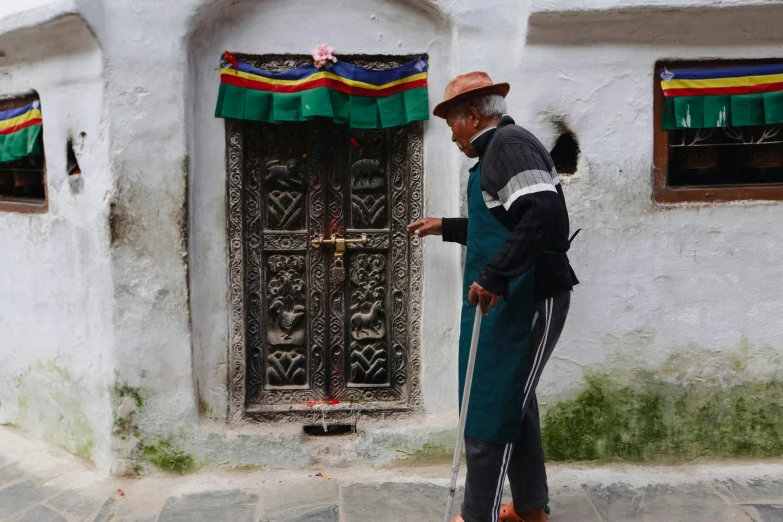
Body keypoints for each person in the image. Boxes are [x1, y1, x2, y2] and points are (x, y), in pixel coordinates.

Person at [407, 71, 578, 522]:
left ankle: (476, 514)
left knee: (493, 403)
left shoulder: (509, 144)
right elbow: (501, 225)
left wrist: (497, 277)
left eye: (453, 126)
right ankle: (529, 509)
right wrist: (445, 227)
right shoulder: (495, 153)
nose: (452, 138)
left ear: (472, 116)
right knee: (512, 401)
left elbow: (542, 212)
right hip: (507, 297)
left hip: (528, 299)